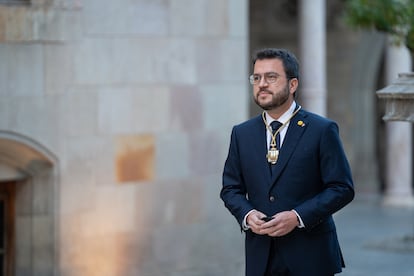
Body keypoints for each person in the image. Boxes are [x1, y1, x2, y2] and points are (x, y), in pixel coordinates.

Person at [220, 48, 354, 276]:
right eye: (257, 77)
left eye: (271, 77)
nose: (262, 84)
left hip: (311, 257)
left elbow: (342, 188)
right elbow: (231, 188)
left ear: (293, 85)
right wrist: (247, 215)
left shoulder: (322, 130)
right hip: (260, 257)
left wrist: (297, 217)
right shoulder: (241, 133)